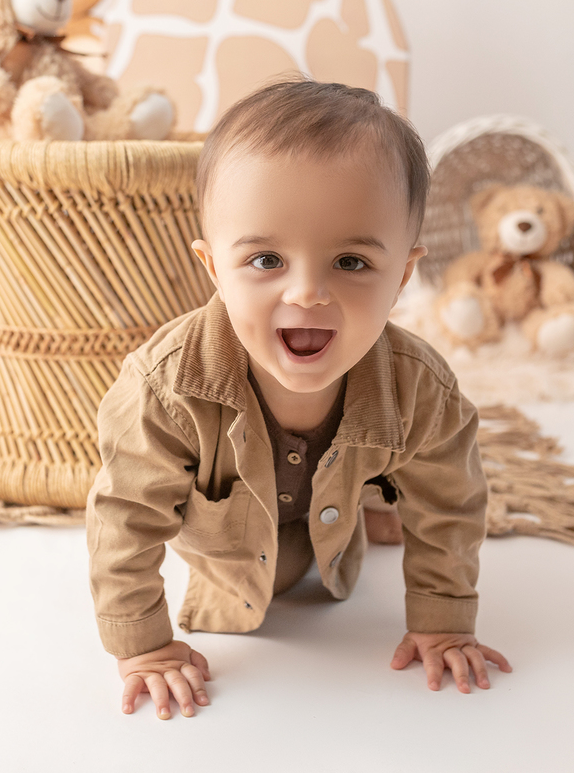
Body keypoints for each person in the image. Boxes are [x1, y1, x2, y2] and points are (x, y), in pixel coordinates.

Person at [86, 78, 511, 720]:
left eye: (351, 262)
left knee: (408, 485)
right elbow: (123, 517)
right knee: (278, 563)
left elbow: (452, 502)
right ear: (213, 268)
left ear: (402, 274)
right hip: (227, 558)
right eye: (265, 260)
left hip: (333, 526)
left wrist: (444, 620)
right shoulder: (165, 387)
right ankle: (374, 502)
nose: (308, 292)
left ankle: (377, 497)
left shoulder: (419, 387)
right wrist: (143, 647)